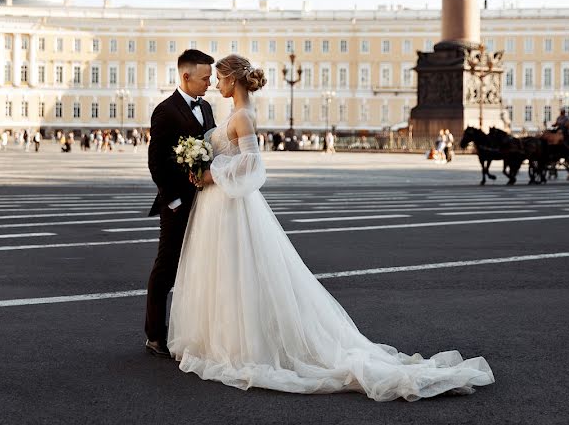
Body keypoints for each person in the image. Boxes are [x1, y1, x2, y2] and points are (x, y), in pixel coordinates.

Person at [165, 53, 494, 401]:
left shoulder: (243, 116)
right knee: (229, 276)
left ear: (232, 80)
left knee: (239, 276)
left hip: (231, 205)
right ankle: (226, 337)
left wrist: (209, 173)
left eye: (219, 77)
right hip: (221, 206)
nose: (215, 84)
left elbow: (253, 167)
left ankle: (239, 344)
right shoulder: (236, 114)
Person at [144, 49, 216, 358]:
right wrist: (171, 200)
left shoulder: (207, 107)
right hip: (177, 204)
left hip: (207, 202)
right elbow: (155, 162)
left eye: (211, 78)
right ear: (185, 77)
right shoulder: (165, 110)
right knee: (167, 267)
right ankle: (155, 335)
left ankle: (192, 333)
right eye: (204, 78)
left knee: (199, 268)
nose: (209, 83)